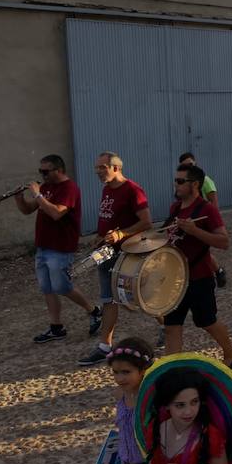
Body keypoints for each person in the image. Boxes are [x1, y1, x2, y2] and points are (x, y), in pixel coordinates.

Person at [13, 154, 101, 344]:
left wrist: (37, 194)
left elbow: (57, 213)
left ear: (58, 170)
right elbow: (29, 209)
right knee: (47, 288)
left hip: (60, 246)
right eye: (40, 171)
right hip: (43, 245)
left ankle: (94, 311)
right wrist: (19, 199)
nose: (42, 175)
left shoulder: (69, 188)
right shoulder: (46, 187)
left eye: (45, 171)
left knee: (62, 286)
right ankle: (56, 327)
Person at [78, 152, 152, 367]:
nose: (98, 172)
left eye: (102, 167)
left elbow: (146, 222)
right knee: (108, 299)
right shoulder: (107, 190)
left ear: (116, 167)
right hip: (106, 252)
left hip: (126, 253)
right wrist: (100, 237)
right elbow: (109, 219)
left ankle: (167, 325)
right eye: (97, 168)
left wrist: (121, 234)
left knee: (138, 296)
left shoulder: (133, 190)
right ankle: (104, 346)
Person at [161, 164, 232, 366]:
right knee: (171, 326)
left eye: (180, 181)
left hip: (199, 277)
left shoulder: (207, 210)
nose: (175, 184)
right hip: (175, 279)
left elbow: (224, 241)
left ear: (194, 184)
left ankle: (230, 354)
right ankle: (172, 369)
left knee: (207, 322)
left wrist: (195, 231)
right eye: (175, 180)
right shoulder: (175, 208)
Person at [179, 152, 227, 287]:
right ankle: (216, 271)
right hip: (191, 222)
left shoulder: (205, 180)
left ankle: (216, 272)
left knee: (202, 251)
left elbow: (213, 201)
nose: (188, 167)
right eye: (185, 166)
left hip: (202, 221)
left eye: (190, 164)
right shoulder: (184, 183)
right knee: (199, 251)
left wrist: (213, 223)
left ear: (195, 163)